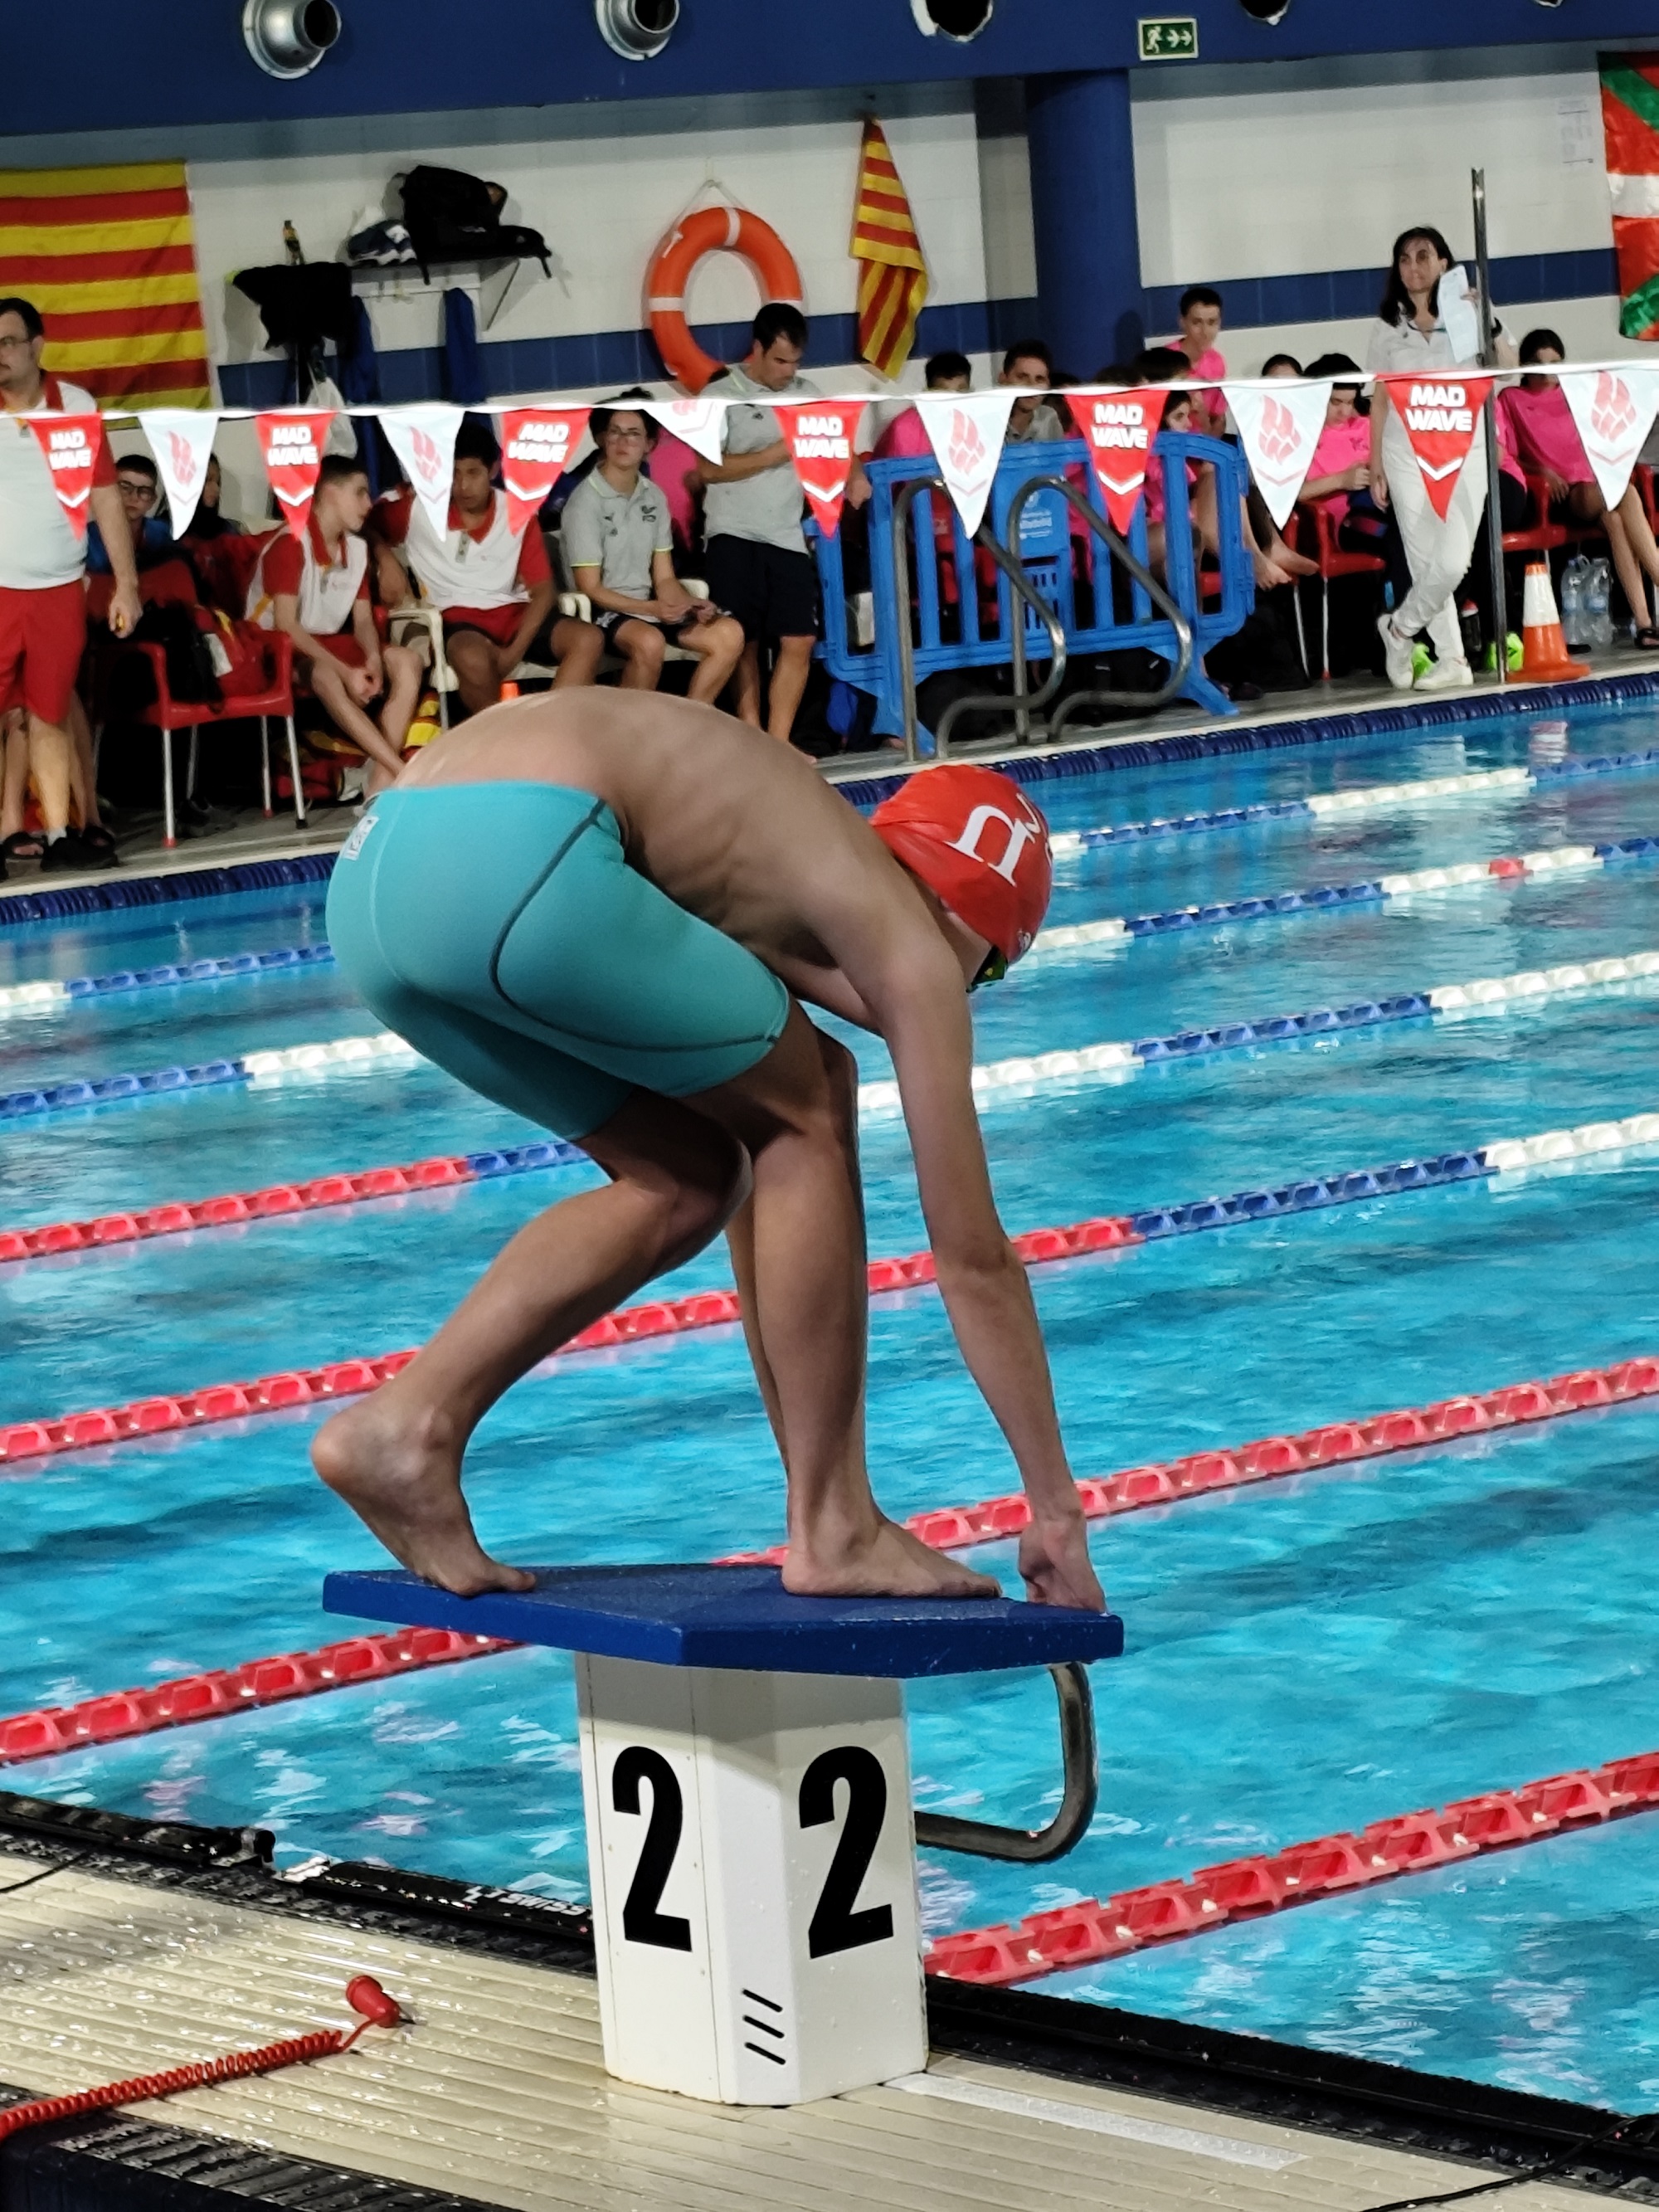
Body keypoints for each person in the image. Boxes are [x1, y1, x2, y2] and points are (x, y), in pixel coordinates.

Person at [315, 699, 1103, 1615]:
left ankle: (405, 1428)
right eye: (992, 970)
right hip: (523, 856)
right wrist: (1054, 1510)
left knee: (691, 1172)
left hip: (378, 880)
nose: (969, 990)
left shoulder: (773, 853)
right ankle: (834, 1524)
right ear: (970, 921)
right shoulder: (908, 937)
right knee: (812, 1109)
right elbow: (971, 1258)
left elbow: (770, 1125)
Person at [0, 295, 139, 874]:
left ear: (37, 345)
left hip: (59, 586)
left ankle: (59, 836)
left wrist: (127, 584)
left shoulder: (77, 406)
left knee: (51, 714)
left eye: (8, 342)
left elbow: (106, 497)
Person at [698, 304, 869, 747]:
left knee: (799, 638)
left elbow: (837, 439)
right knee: (745, 641)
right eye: (780, 361)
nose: (788, 371)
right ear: (756, 349)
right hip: (732, 533)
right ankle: (753, 735)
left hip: (786, 534)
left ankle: (780, 742)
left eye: (795, 361)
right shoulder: (719, 395)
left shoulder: (805, 392)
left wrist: (854, 473)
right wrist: (775, 454)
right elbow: (708, 470)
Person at [1365, 225, 1515, 691]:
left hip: (1465, 448)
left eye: (1423, 256)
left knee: (1452, 562)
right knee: (1426, 557)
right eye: (1405, 258)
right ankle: (1453, 659)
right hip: (1406, 452)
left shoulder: (1472, 311)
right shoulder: (1388, 325)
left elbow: (1508, 368)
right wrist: (1376, 464)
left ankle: (1400, 628)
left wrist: (1483, 320)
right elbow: (1381, 398)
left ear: (1444, 263)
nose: (1414, 266)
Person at [372, 420, 601, 717]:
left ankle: (548, 729)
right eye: (453, 474)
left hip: (512, 613)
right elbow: (361, 524)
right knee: (472, 659)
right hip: (457, 617)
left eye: (472, 473)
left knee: (588, 639)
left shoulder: (516, 511)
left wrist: (513, 652)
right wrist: (385, 557)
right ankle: (502, 747)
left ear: (493, 471)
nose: (463, 486)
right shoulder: (418, 510)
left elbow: (544, 591)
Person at [248, 452, 421, 792]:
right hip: (276, 649)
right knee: (327, 674)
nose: (368, 504)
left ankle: (379, 781)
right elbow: (287, 627)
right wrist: (347, 672)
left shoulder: (356, 549)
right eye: (359, 493)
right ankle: (399, 771)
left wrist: (372, 660)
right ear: (328, 494)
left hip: (326, 643)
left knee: (407, 660)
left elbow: (363, 621)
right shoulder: (291, 543)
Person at [562, 403, 745, 701]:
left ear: (649, 445)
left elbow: (664, 578)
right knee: (649, 642)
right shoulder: (585, 502)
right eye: (615, 433)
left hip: (649, 608)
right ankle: (628, 737)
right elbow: (590, 587)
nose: (623, 442)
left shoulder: (654, 496)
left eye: (633, 434)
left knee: (729, 633)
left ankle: (687, 724)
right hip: (602, 611)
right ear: (602, 439)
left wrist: (688, 603)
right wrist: (652, 609)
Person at [1501, 329, 1659, 649]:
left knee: (1616, 517)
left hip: (1595, 482)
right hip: (1563, 494)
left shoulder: (1575, 392)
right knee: (1624, 494)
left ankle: (1644, 625)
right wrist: (1541, 471)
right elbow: (1509, 456)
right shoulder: (1512, 400)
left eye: (1555, 364)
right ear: (1525, 366)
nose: (1548, 373)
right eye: (1540, 364)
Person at [872, 351, 972, 460]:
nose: (953, 401)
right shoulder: (905, 428)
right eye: (944, 394)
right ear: (928, 394)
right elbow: (901, 476)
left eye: (961, 392)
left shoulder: (980, 423)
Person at [87, 453, 171, 574]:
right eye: (125, 487)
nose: (134, 497)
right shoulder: (87, 539)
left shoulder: (162, 534)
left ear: (152, 500)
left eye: (144, 491)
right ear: (110, 491)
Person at [1161, 285, 1228, 435]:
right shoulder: (1165, 360)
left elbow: (1218, 418)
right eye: (1197, 322)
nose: (1205, 332)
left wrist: (1210, 454)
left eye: (1212, 322)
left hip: (1202, 446)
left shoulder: (1217, 362)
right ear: (1182, 322)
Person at [998, 340, 1064, 444]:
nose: (1032, 386)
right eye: (1022, 378)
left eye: (1039, 379)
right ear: (1003, 380)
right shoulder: (987, 420)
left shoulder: (1049, 417)